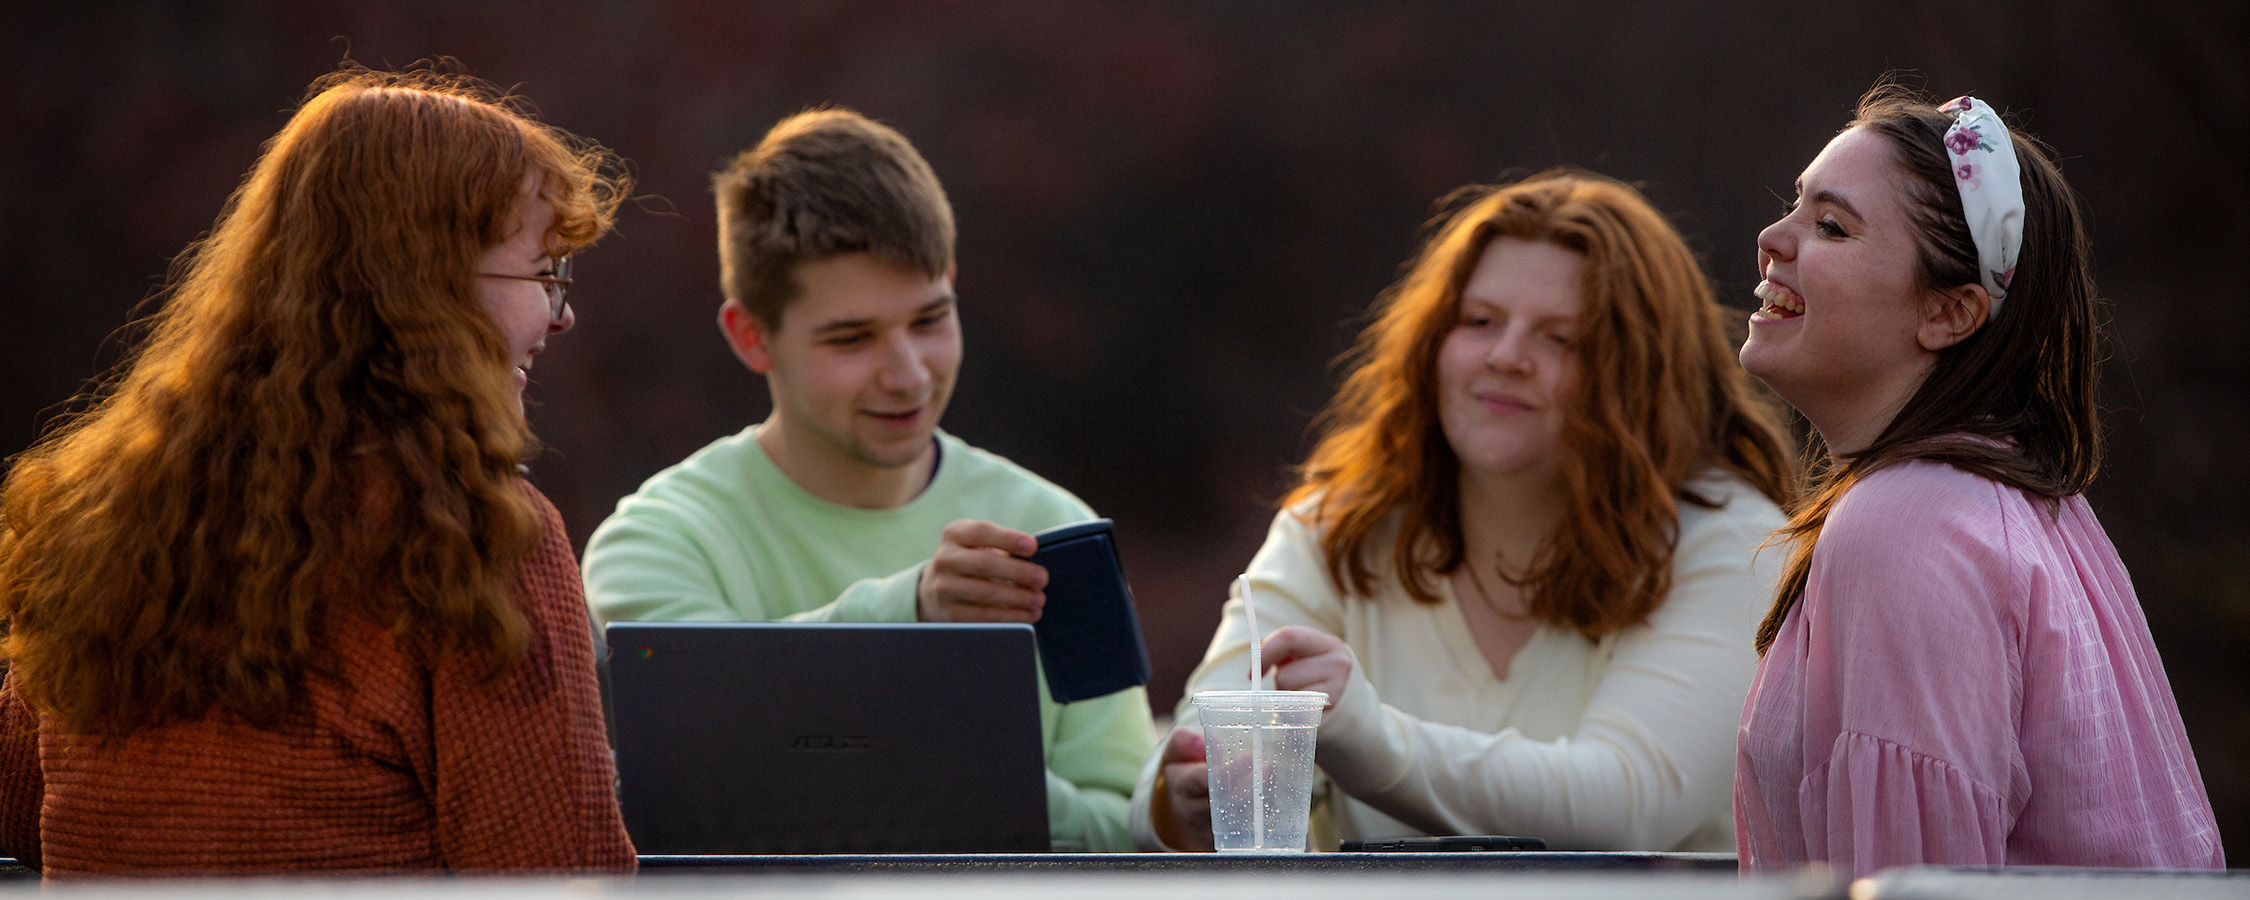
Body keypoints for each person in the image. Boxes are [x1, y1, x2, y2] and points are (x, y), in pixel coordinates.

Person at [0, 67, 635, 874]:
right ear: (428, 284)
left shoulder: (96, 516)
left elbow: (25, 814)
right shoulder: (473, 541)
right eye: (547, 272)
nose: (563, 312)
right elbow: (560, 876)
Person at [1130, 170, 1797, 852]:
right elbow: (1178, 763)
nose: (1506, 357)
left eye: (1560, 338)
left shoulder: (1732, 544)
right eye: (1480, 322)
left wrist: (1369, 737)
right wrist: (1188, 799)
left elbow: (1624, 803)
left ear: (1644, 375)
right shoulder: (1333, 529)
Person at [580, 108, 1152, 851]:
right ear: (750, 336)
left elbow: (1123, 831)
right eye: (852, 338)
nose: (907, 374)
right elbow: (712, 772)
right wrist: (913, 615)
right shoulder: (653, 542)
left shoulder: (1052, 526)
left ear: (952, 282)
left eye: (929, 320)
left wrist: (900, 762)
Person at [1732, 87, 2223, 876]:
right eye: (1796, 207)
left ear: (1950, 314)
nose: (1770, 239)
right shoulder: (2013, 499)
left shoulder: (1909, 524)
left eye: (1831, 225)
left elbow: (1911, 889)